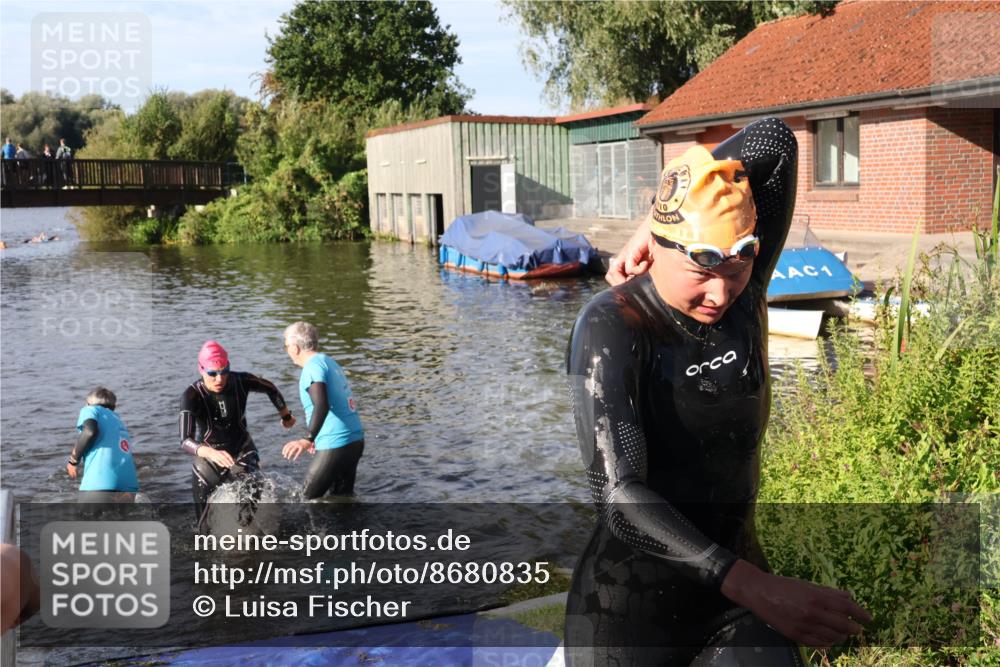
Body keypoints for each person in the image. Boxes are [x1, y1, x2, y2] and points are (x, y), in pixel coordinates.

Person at [564, 118, 871, 666]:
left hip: (733, 603)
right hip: (628, 611)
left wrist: (655, 217)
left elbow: (774, 141)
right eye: (702, 267)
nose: (720, 291)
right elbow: (618, 495)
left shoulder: (746, 294)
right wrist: (757, 586)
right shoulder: (614, 324)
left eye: (739, 261)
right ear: (660, 247)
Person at [179, 340, 295, 522]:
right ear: (201, 369)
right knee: (202, 524)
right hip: (208, 456)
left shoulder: (240, 381)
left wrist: (286, 416)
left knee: (249, 504)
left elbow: (270, 388)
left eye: (224, 371)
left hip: (242, 449)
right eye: (212, 373)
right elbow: (185, 440)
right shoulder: (191, 395)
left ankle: (249, 534)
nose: (219, 379)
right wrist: (211, 453)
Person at [281, 322, 365, 499]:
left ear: (295, 348)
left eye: (286, 346)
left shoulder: (312, 368)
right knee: (342, 500)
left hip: (335, 443)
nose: (287, 351)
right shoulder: (328, 361)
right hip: (355, 440)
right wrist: (316, 437)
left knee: (304, 501)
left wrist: (307, 439)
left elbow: (322, 405)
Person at [68, 387, 139, 503]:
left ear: (87, 403)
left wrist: (73, 461)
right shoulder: (117, 419)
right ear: (114, 407)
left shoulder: (90, 410)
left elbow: (89, 432)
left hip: (100, 482)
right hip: (129, 485)